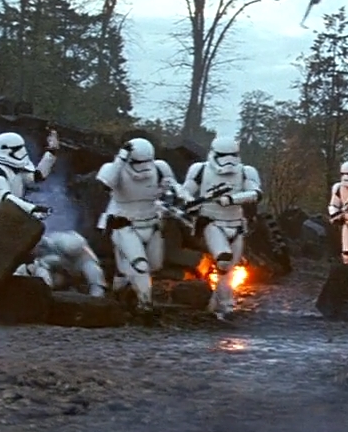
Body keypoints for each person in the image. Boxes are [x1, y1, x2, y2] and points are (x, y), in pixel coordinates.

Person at [180, 137, 264, 320]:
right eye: (223, 155)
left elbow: (256, 193)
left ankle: (220, 306)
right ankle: (222, 305)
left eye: (232, 155)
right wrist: (190, 203)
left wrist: (232, 199)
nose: (228, 161)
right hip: (212, 222)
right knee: (224, 260)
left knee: (229, 269)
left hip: (236, 225)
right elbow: (185, 190)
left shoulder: (246, 171)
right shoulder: (200, 169)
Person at [96, 137, 177, 309]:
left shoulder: (160, 168)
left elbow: (173, 189)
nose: (143, 168)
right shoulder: (113, 169)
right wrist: (120, 159)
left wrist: (175, 201)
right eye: (139, 162)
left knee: (154, 265)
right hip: (124, 224)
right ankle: (145, 305)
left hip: (152, 223)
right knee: (140, 266)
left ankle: (121, 289)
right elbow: (105, 185)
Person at [0, 130, 58, 242]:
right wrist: (32, 208)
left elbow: (37, 176)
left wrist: (51, 152)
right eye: (17, 149)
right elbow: (6, 197)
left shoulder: (17, 173)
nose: (21, 152)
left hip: (7, 218)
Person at [14, 230, 107, 296]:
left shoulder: (65, 242)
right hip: (62, 274)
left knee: (93, 274)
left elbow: (84, 252)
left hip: (81, 262)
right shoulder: (40, 260)